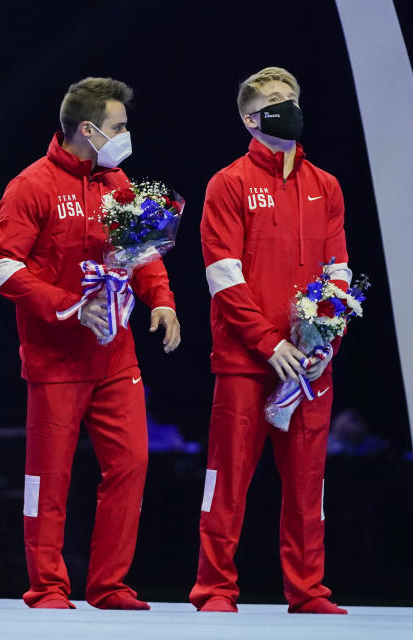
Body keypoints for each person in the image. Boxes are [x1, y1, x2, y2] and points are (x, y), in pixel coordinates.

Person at [0, 77, 180, 610]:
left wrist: (161, 299)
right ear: (89, 130)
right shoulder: (30, 185)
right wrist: (69, 306)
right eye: (119, 127)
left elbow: (141, 248)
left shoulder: (117, 183)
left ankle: (108, 585)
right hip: (55, 359)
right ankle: (47, 586)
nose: (126, 135)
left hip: (115, 356)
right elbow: (0, 268)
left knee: (132, 464)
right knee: (50, 478)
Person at [190, 66, 350, 614]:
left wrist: (323, 338)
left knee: (308, 482)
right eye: (276, 100)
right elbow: (223, 274)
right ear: (250, 118)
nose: (290, 106)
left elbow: (339, 273)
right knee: (228, 477)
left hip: (308, 364)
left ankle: (308, 590)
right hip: (246, 359)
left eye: (294, 98)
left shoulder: (326, 185)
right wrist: (268, 342)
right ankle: (214, 588)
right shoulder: (228, 183)